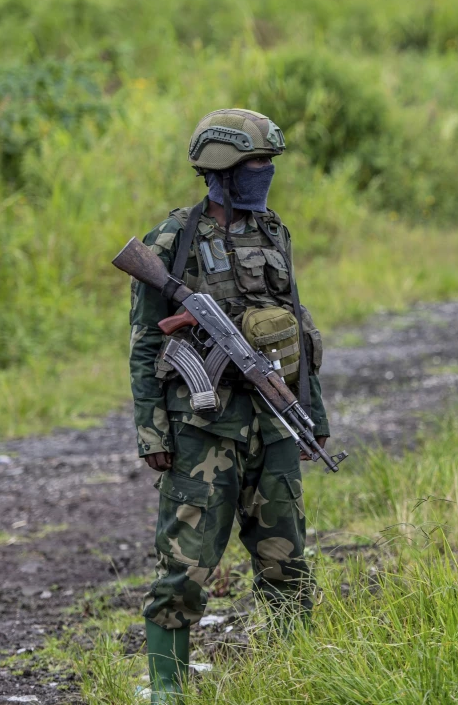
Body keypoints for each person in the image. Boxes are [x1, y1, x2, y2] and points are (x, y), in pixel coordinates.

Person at [129, 108, 330, 700]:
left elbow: (296, 328)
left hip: (272, 426)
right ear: (220, 166)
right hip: (202, 430)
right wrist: (154, 434)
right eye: (254, 164)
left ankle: (301, 671)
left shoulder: (273, 232)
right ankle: (168, 687)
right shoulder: (173, 238)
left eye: (269, 163)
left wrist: (311, 417)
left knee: (286, 560)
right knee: (185, 568)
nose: (265, 173)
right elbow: (146, 341)